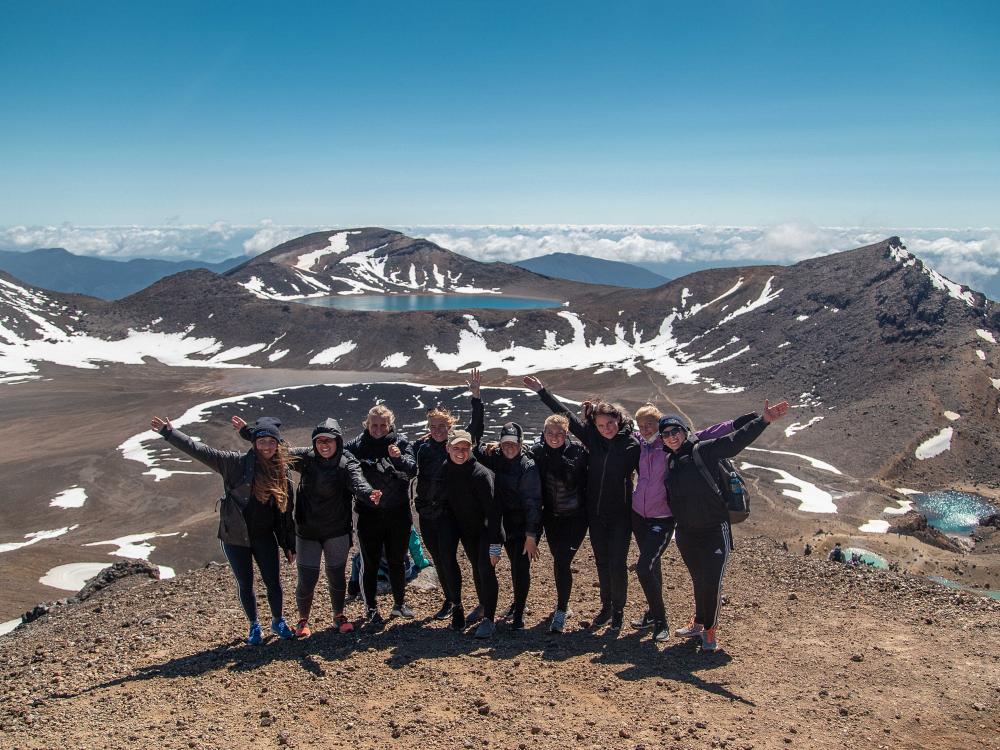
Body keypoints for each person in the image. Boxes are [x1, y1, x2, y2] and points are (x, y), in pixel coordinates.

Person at [150, 415, 297, 645]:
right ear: (254, 443)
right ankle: (254, 625)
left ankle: (278, 620)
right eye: (261, 441)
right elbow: (201, 451)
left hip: (264, 536)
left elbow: (285, 514)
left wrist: (288, 543)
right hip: (235, 536)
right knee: (245, 583)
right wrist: (170, 433)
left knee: (273, 581)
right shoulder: (235, 464)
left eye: (271, 441)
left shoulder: (282, 471)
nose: (266, 446)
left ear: (278, 443)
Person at [660, 399, 789, 652]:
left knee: (712, 582)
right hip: (687, 533)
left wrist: (763, 421)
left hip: (713, 530)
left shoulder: (703, 450)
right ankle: (698, 623)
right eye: (666, 434)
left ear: (685, 431)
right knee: (698, 579)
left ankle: (710, 631)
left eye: (675, 431)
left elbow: (733, 442)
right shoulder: (671, 462)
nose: (671, 437)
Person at [232, 416, 379, 637]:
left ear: (337, 442)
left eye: (329, 441)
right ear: (314, 443)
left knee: (336, 575)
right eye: (320, 441)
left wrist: (369, 493)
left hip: (336, 530)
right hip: (307, 531)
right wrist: (248, 432)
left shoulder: (346, 462)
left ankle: (339, 615)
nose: (325, 445)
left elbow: (358, 481)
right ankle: (303, 620)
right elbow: (275, 448)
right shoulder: (306, 458)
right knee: (307, 578)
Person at [524, 375, 640, 632]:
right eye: (601, 424)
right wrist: (543, 392)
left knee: (617, 563)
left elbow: (652, 470)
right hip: (595, 516)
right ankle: (606, 607)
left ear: (618, 421)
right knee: (601, 561)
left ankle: (618, 612)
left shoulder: (631, 445)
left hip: (621, 515)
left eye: (610, 423)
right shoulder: (592, 440)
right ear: (595, 426)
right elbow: (565, 417)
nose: (606, 428)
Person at [631, 403, 750, 643]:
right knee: (677, 572)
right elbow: (617, 429)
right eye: (641, 425)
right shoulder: (640, 444)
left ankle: (706, 628)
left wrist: (739, 423)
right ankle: (676, 618)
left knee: (704, 578)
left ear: (662, 424)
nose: (645, 429)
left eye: (651, 425)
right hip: (658, 520)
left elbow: (714, 432)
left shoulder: (674, 444)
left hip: (685, 520)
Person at [411, 371, 484, 623]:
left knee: (448, 557)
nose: (438, 430)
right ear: (428, 427)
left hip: (447, 514)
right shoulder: (421, 446)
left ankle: (458, 605)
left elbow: (476, 427)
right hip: (426, 512)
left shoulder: (456, 446)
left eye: (442, 426)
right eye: (433, 426)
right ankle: (450, 599)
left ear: (450, 426)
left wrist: (476, 396)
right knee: (439, 560)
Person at [345, 404, 417, 626]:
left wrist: (397, 458)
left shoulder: (401, 443)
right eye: (373, 424)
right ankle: (371, 608)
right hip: (369, 513)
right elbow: (340, 455)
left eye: (382, 425)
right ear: (367, 424)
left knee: (398, 559)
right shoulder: (357, 445)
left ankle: (399, 604)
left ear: (390, 425)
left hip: (398, 512)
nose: (377, 429)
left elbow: (412, 469)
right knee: (370, 561)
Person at [473, 420, 542, 630]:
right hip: (498, 523)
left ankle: (519, 611)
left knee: (520, 568)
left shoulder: (527, 466)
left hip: (522, 526)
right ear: (500, 444)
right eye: (505, 443)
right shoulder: (494, 457)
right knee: (484, 565)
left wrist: (531, 536)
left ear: (520, 444)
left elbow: (533, 503)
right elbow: (474, 447)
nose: (509, 447)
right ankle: (486, 606)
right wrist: (476, 400)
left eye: (513, 443)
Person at [526, 414, 588, 633]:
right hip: (552, 518)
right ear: (543, 434)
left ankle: (561, 610)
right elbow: (515, 456)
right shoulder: (537, 452)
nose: (554, 437)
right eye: (550, 433)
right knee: (558, 559)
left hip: (576, 518)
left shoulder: (578, 453)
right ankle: (563, 603)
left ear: (566, 434)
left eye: (559, 433)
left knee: (562, 561)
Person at [439, 428, 502, 638]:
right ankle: (483, 605)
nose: (461, 452)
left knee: (485, 568)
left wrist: (495, 545)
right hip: (467, 529)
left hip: (486, 529)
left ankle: (490, 620)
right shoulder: (446, 469)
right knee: (476, 566)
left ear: (471, 449)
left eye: (465, 448)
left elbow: (494, 513)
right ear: (448, 448)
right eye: (456, 448)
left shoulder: (481, 474)